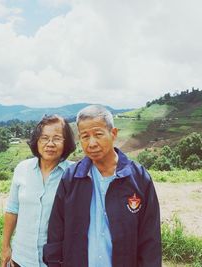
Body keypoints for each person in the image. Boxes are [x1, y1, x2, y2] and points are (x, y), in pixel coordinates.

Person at [43, 105, 162, 267]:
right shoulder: (71, 179)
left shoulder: (138, 178)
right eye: (85, 136)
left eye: (98, 134)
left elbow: (150, 239)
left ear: (113, 134)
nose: (91, 143)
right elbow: (56, 231)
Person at [1, 115, 76, 267]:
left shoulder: (74, 174)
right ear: (37, 141)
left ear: (66, 143)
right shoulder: (22, 168)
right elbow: (12, 209)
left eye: (57, 138)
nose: (50, 144)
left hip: (56, 261)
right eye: (44, 138)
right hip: (21, 257)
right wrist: (5, 247)